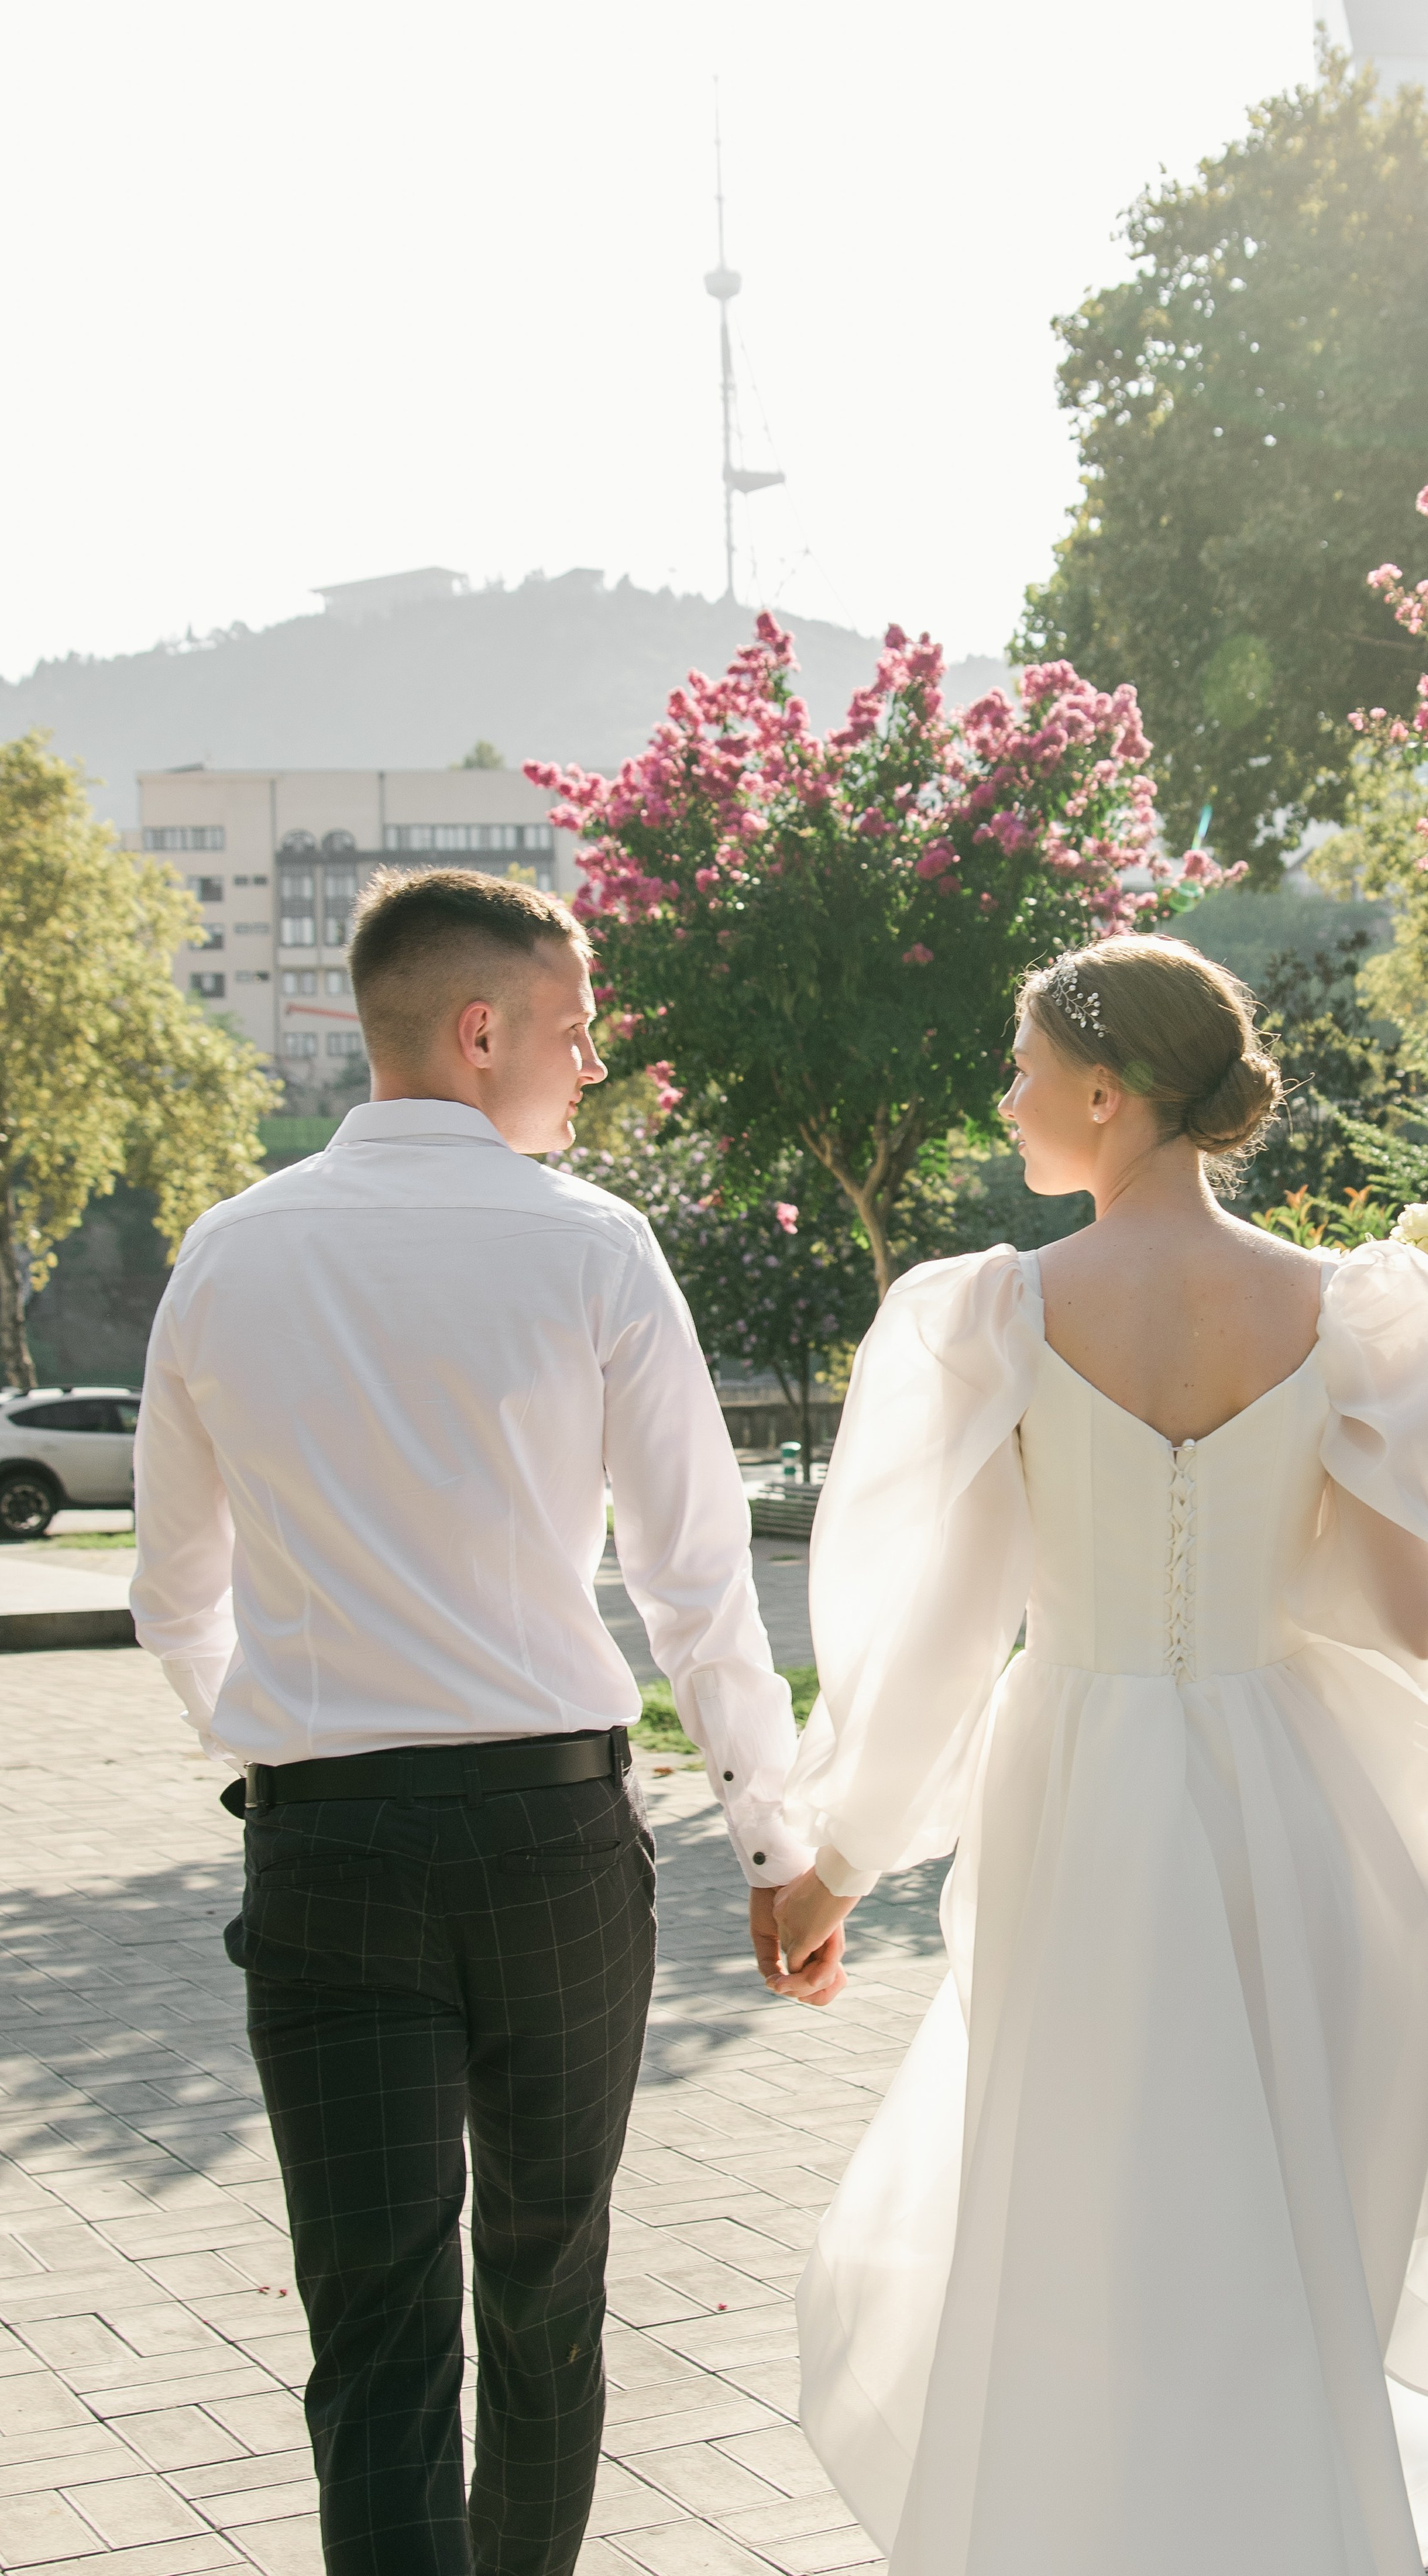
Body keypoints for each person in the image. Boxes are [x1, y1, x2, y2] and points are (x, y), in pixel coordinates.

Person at [762, 934, 1428, 2576]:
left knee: (1080, 2223)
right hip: (1295, 1806)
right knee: (1275, 2234)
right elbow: (1419, 1622)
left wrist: (830, 1857)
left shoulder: (1002, 1311)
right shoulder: (1345, 1308)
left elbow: (943, 1629)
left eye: (1016, 1071)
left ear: (1104, 1091)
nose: (1002, 1104)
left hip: (1084, 1801)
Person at [130, 867, 823, 2576]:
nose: (585, 1068)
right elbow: (693, 1581)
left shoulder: (224, 1253)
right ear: (481, 1027)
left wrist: (277, 1746)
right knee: (544, 2294)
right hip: (551, 1852)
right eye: (574, 1033)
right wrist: (771, 1843)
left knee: (370, 2335)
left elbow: (171, 1590)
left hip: (330, 1855)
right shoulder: (592, 1247)